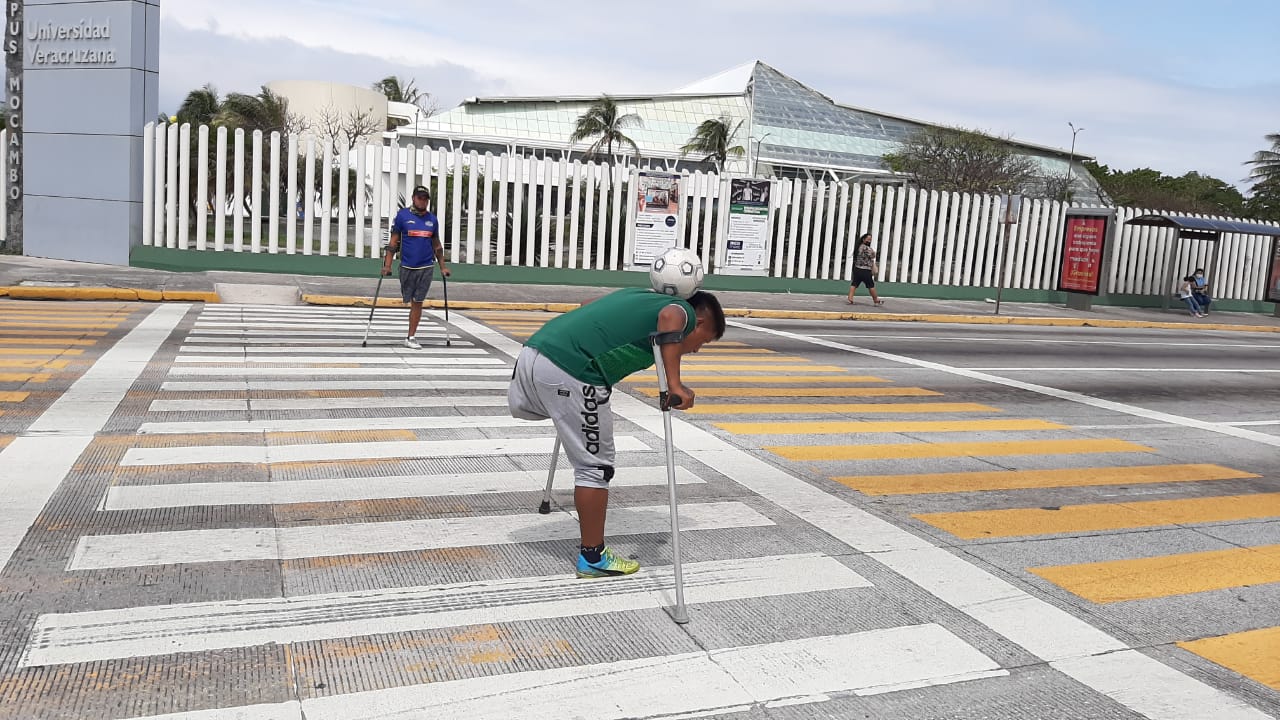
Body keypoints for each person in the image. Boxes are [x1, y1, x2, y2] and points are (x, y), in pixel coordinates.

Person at [508, 287, 726, 578]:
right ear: (698, 323)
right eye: (704, 340)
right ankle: (593, 557)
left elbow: (588, 303)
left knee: (581, 435)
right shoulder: (681, 311)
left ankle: (591, 551)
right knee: (595, 467)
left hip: (534, 353)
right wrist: (674, 385)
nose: (697, 348)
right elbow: (671, 316)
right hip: (575, 370)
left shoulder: (638, 297)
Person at [382, 185, 449, 349]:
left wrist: (443, 267)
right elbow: (393, 243)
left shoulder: (432, 220)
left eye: (425, 198)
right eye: (420, 197)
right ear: (413, 198)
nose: (423, 201)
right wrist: (387, 265)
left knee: (417, 301)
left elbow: (437, 245)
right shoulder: (402, 216)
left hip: (426, 267)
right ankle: (410, 333)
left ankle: (411, 336)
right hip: (406, 267)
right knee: (408, 300)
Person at [846, 232, 885, 306]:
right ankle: (876, 300)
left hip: (857, 268)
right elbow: (873, 255)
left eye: (870, 239)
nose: (869, 241)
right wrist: (873, 252)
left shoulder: (858, 247)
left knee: (854, 284)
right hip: (865, 270)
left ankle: (850, 298)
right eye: (868, 239)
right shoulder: (866, 248)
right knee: (871, 285)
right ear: (864, 239)